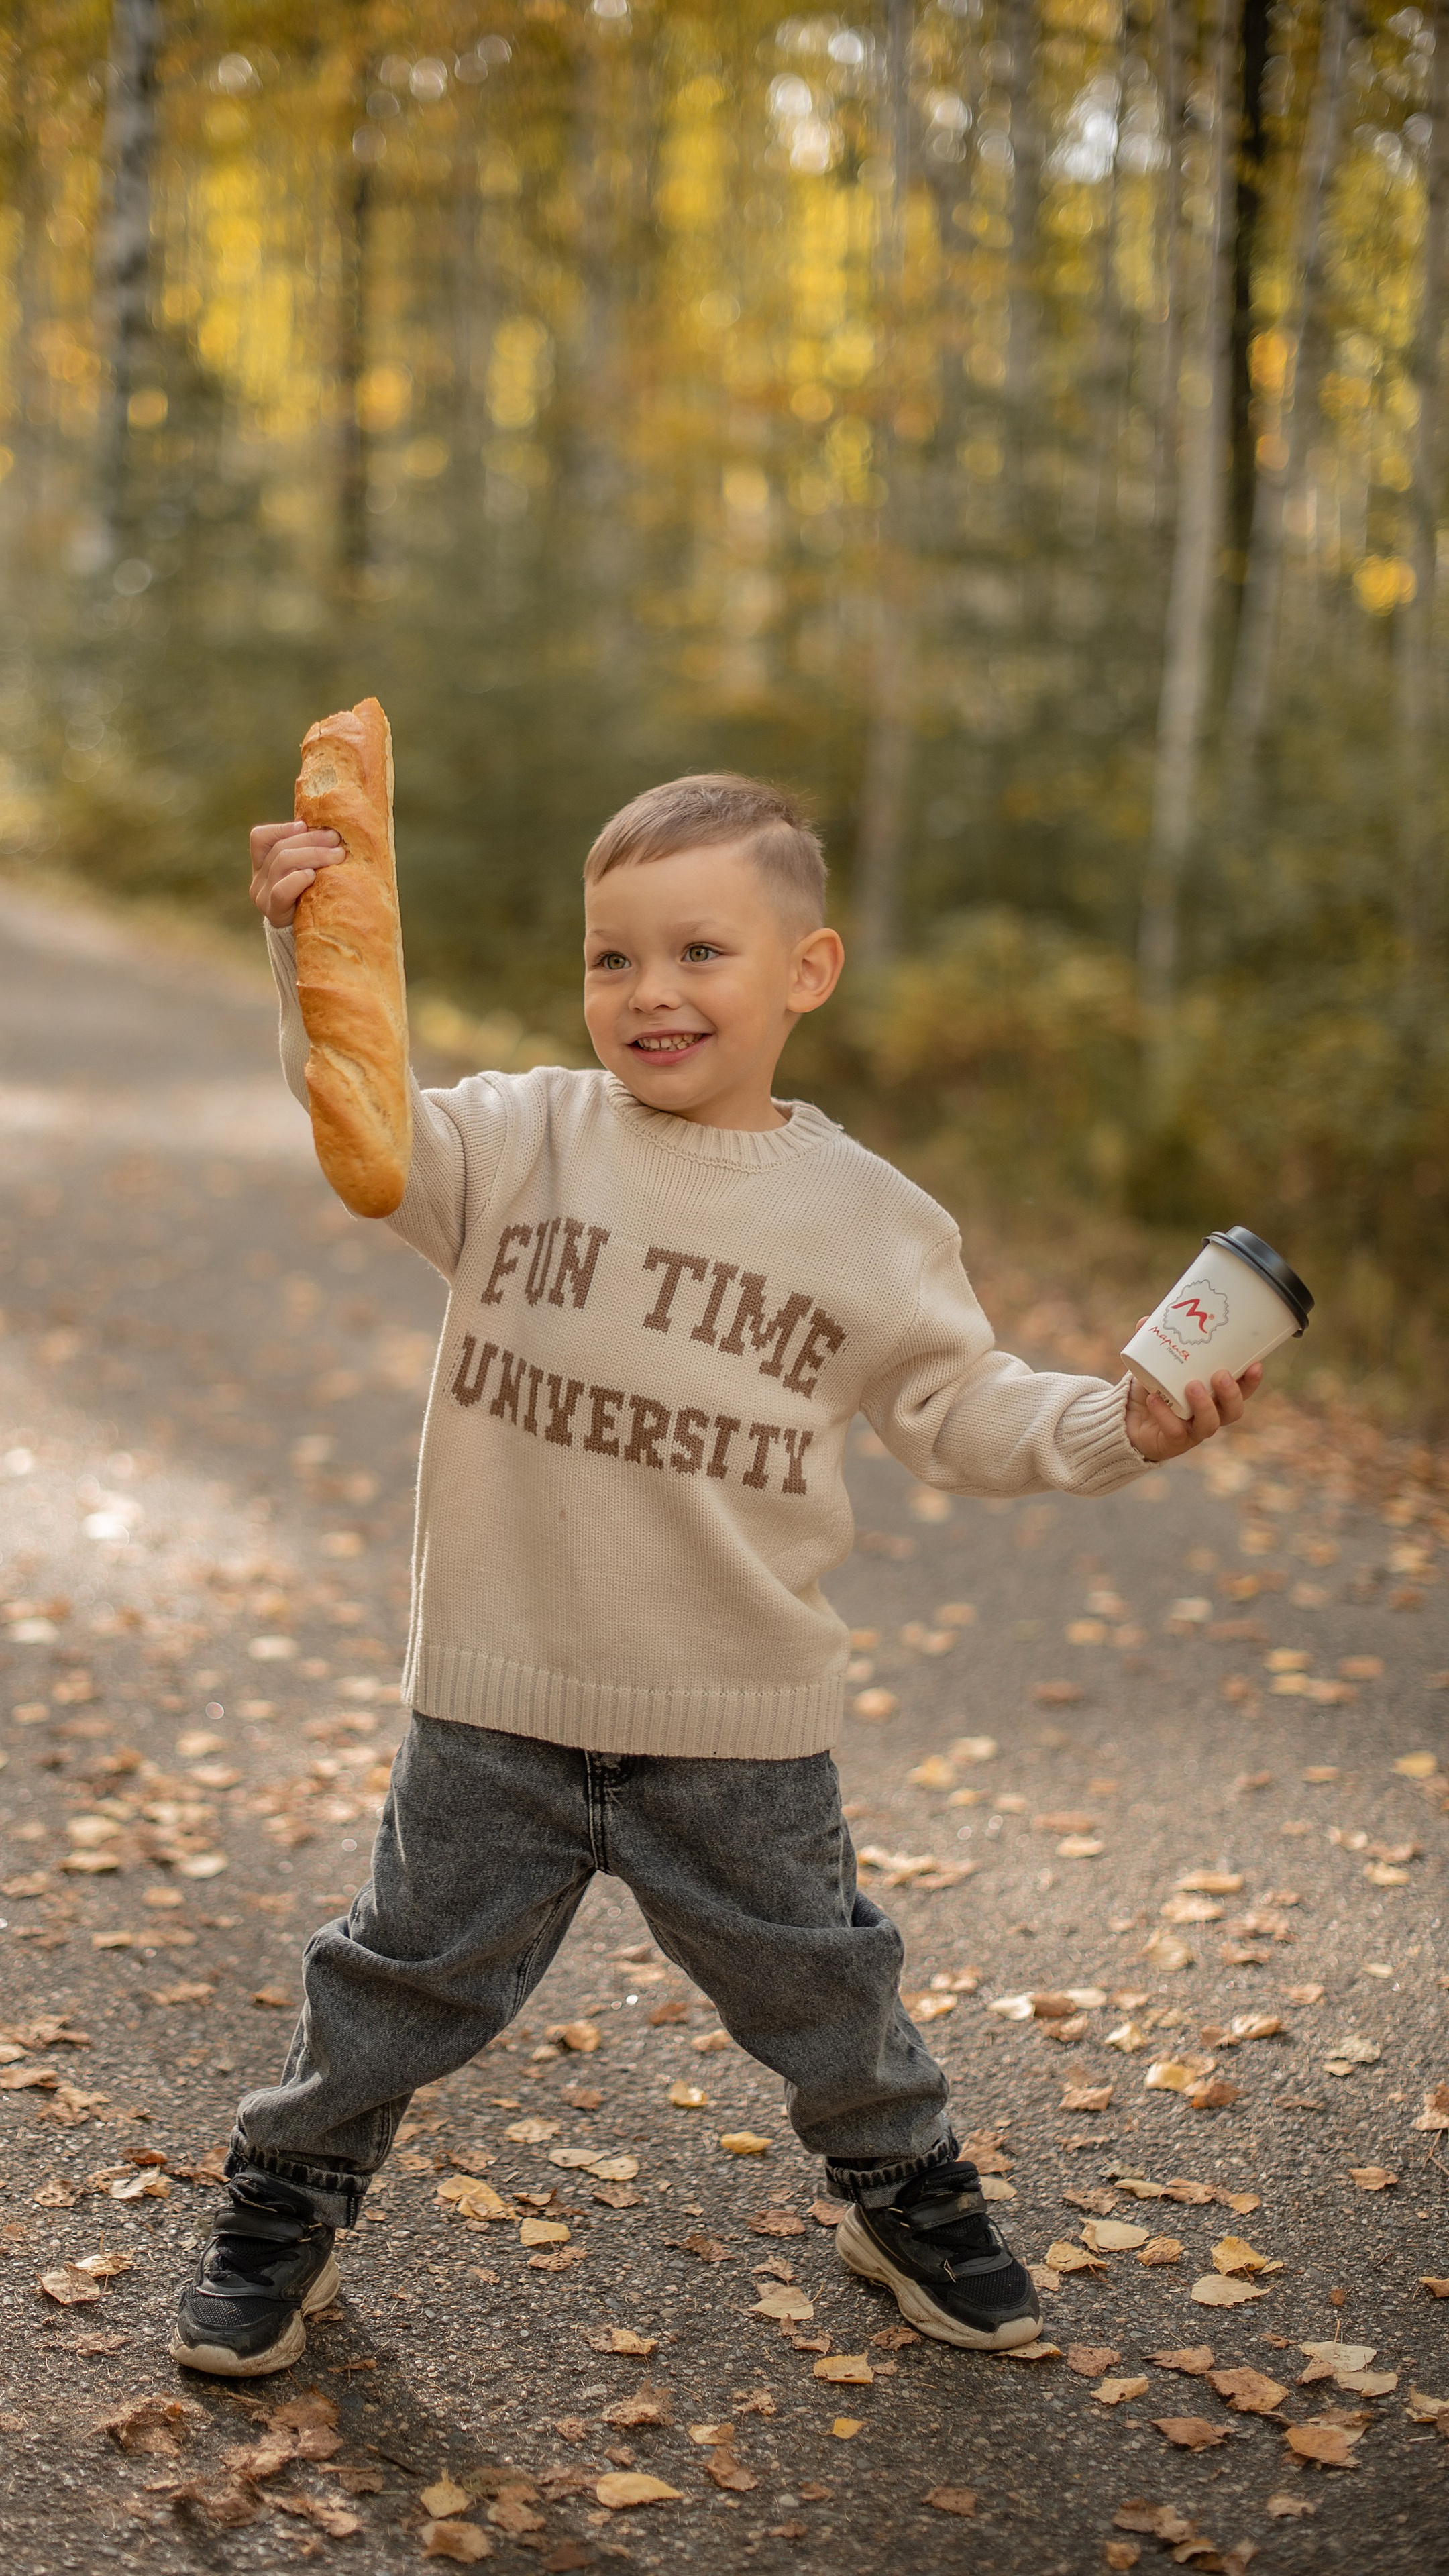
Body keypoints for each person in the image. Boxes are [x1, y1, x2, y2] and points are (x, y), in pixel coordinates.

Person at [172, 774, 1260, 2377]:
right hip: (498, 1694)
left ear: (804, 971)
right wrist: (302, 947)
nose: (649, 992)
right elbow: (367, 1117)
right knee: (396, 1978)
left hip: (737, 1716)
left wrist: (1120, 1424)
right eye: (611, 959)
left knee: (823, 1986)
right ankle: (289, 2195)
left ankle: (900, 2192)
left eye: (699, 952)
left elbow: (958, 1408)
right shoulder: (518, 1141)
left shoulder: (869, 1220)